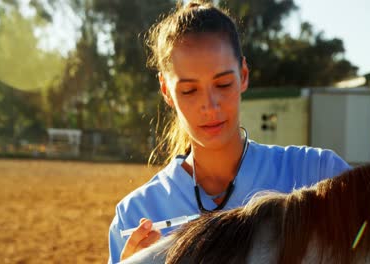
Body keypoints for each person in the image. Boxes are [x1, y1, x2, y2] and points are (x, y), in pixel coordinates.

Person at [108, 2, 350, 263]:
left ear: (243, 75)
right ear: (166, 91)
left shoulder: (319, 174)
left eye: (223, 84)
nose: (210, 106)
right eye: (189, 90)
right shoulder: (135, 214)